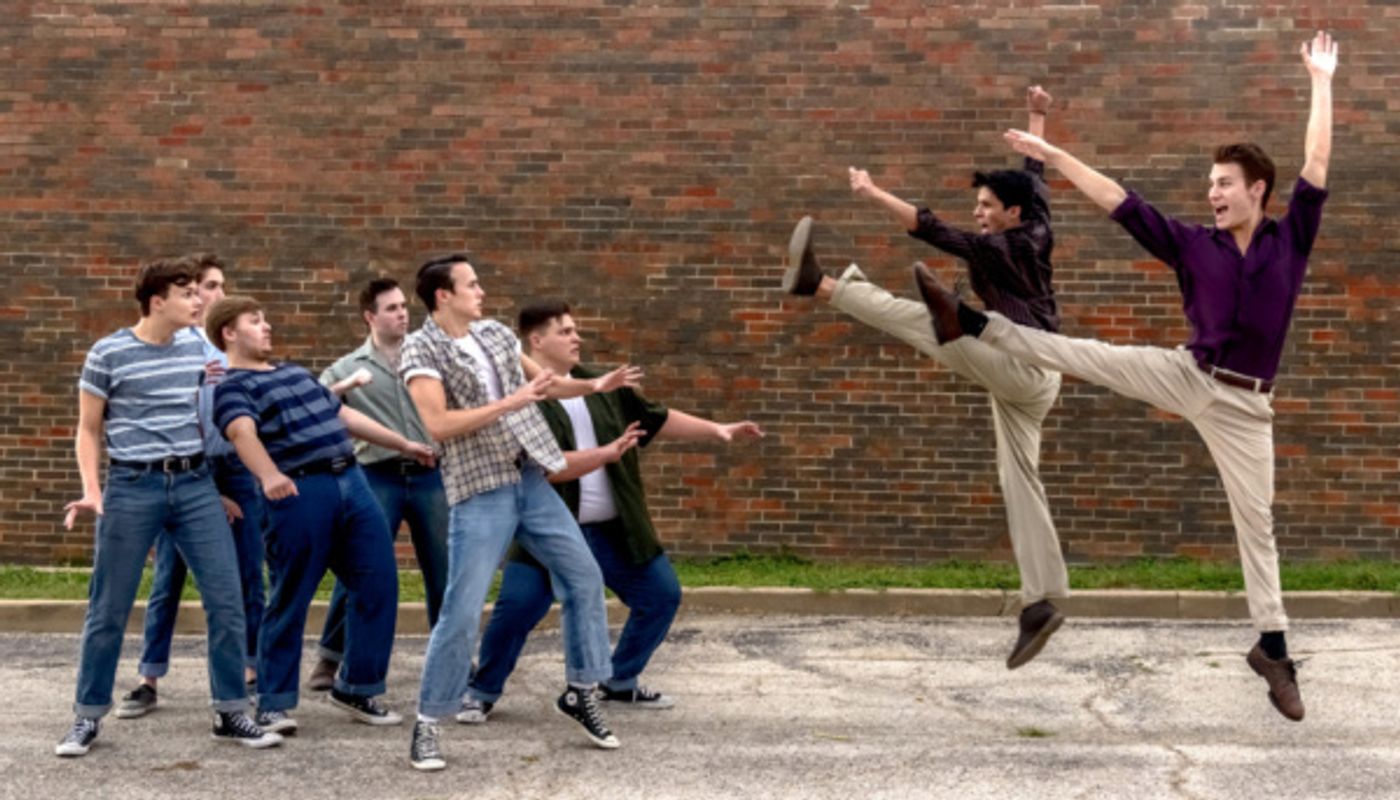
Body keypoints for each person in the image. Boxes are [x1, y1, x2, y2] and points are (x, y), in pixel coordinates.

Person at [916, 32, 1338, 722]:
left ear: (1257, 189)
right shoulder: (1191, 243)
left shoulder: (1290, 238)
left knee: (1256, 526)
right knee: (1085, 354)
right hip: (1187, 372)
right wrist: (1052, 156)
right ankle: (972, 322)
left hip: (1246, 406)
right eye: (1210, 184)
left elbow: (1317, 160)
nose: (1214, 193)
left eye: (1224, 184)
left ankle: (1273, 649)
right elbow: (1121, 201)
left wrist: (1321, 79)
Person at [782, 86, 1071, 669]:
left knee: (922, 321)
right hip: (1032, 377)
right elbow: (1035, 172)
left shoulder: (997, 247)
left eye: (988, 206)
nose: (980, 212)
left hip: (1022, 368)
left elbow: (931, 227)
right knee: (1021, 481)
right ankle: (1042, 600)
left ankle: (828, 286)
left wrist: (870, 191)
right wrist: (1037, 114)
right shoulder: (1035, 217)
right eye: (981, 204)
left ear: (1009, 215)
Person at [458, 300, 763, 723]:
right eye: (565, 331)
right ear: (537, 340)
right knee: (518, 609)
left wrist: (717, 429)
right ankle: (482, 692)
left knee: (660, 596)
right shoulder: (521, 397)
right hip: (549, 531)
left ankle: (618, 682)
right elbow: (547, 470)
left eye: (575, 329)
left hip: (612, 530)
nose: (576, 337)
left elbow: (655, 418)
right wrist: (604, 454)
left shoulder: (601, 384)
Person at [399, 254, 642, 771]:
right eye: (472, 284)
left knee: (582, 577)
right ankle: (428, 722)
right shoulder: (421, 348)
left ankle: (581, 690)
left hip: (530, 478)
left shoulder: (491, 334)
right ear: (443, 295)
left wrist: (597, 386)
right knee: (462, 610)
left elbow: (546, 384)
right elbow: (438, 425)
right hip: (481, 488)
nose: (481, 291)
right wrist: (510, 403)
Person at [58, 257, 279, 757]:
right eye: (187, 295)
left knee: (227, 601)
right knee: (108, 608)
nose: (199, 301)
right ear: (158, 302)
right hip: (132, 488)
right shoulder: (109, 353)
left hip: (196, 485)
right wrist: (93, 489)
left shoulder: (199, 353)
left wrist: (218, 487)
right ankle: (87, 718)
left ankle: (230, 712)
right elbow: (88, 429)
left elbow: (216, 417)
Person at [208, 295, 435, 735]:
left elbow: (344, 414)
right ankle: (273, 702)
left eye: (265, 317)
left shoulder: (294, 372)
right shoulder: (232, 386)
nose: (267, 326)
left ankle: (358, 686)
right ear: (229, 334)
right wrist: (269, 474)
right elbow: (241, 431)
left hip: (353, 481)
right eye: (255, 321)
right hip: (299, 491)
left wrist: (404, 444)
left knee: (378, 583)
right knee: (291, 595)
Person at [117, 253, 267, 718]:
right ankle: (148, 678)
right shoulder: (174, 350)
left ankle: (248, 671)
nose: (218, 295)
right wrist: (204, 488)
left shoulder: (229, 349)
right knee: (169, 578)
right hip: (185, 473)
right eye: (209, 286)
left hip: (234, 469)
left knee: (247, 574)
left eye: (221, 286)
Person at [305, 278, 450, 692]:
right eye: (391, 308)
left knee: (443, 569)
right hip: (375, 476)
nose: (402, 313)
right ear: (370, 316)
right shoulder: (346, 369)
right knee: (360, 566)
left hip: (431, 477)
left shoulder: (430, 360)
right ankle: (330, 659)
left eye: (404, 306)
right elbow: (318, 414)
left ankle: (451, 658)